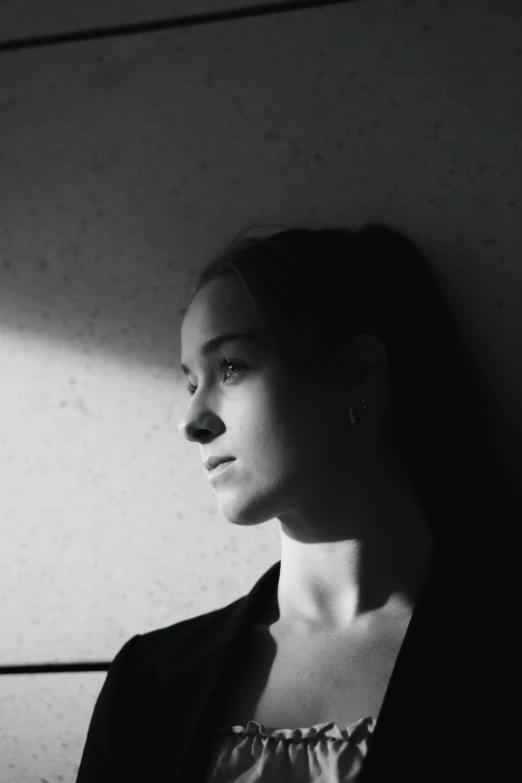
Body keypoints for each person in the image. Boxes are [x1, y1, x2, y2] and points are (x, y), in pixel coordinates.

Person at [76, 222, 519, 783]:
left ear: (358, 371)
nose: (191, 421)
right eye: (191, 383)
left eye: (230, 367)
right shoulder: (147, 679)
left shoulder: (502, 653)